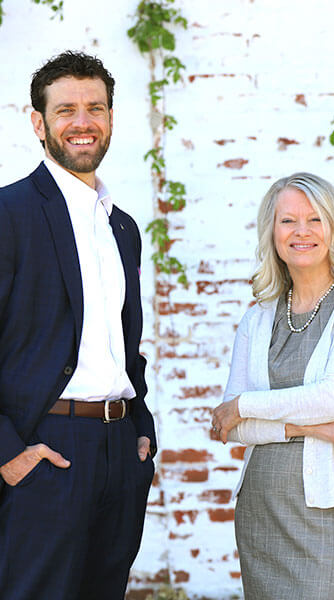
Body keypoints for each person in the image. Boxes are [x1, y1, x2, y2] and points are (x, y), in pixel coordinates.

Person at [0, 51, 156, 600]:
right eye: (66, 109)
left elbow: (122, 344)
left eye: (96, 108)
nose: (83, 121)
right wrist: (8, 454)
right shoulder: (9, 214)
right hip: (47, 449)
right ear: (39, 123)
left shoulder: (123, 227)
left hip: (119, 449)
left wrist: (141, 429)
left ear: (111, 118)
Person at [212, 172, 334, 600]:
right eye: (287, 221)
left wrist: (245, 404)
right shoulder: (259, 317)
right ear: (272, 232)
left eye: (315, 219)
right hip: (263, 513)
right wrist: (312, 427)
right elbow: (233, 428)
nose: (301, 232)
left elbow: (333, 396)